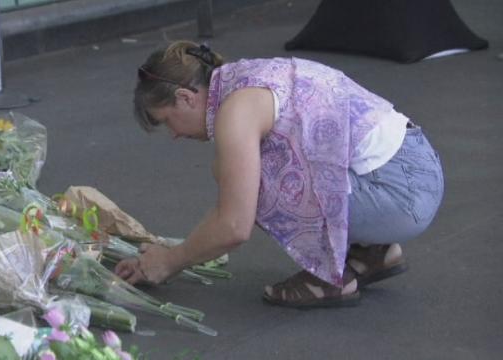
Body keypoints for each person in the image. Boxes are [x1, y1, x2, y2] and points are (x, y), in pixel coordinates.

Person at [115, 40, 444, 308]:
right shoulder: (243, 78)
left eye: (166, 120)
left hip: (402, 193)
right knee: (248, 167)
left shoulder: (235, 111)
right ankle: (372, 251)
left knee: (249, 181)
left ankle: (328, 280)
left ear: (185, 98)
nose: (173, 134)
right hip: (414, 166)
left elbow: (233, 225)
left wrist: (169, 261)